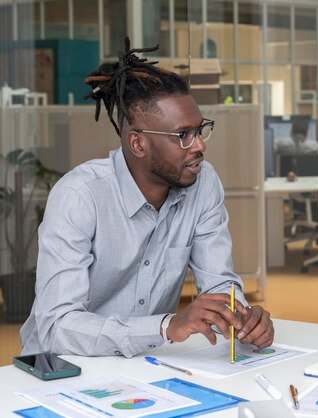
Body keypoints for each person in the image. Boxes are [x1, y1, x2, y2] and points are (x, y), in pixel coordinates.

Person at [20, 39, 274, 357]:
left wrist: (242, 316)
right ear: (138, 144)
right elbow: (56, 327)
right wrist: (165, 326)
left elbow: (219, 283)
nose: (199, 146)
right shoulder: (80, 197)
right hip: (64, 369)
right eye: (183, 135)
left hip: (147, 364)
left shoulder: (203, 183)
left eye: (200, 130)